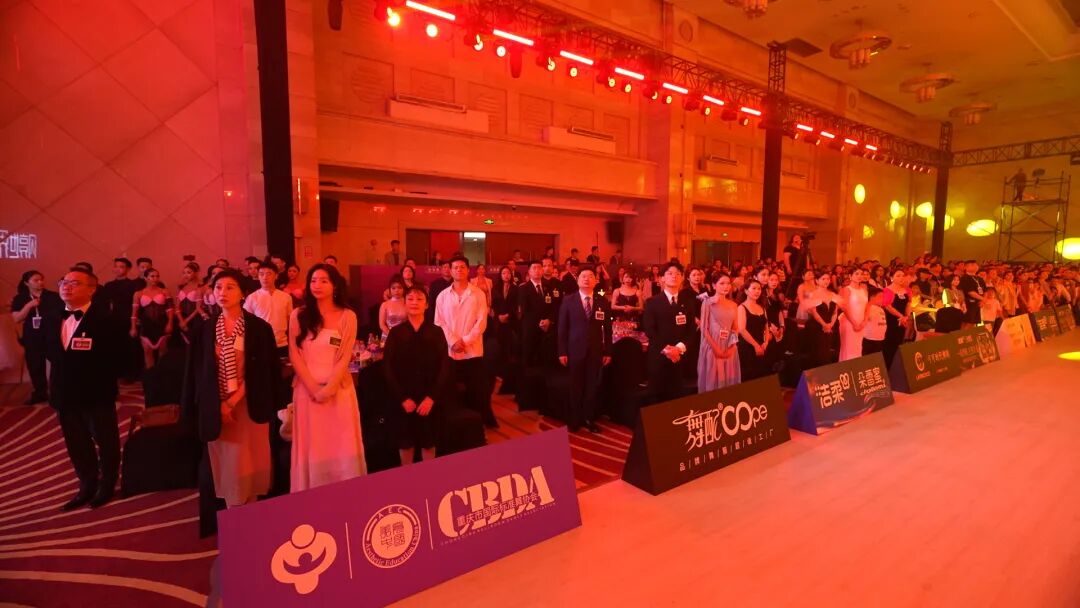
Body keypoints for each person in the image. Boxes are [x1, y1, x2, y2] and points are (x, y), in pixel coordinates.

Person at [182, 269, 279, 508]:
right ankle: (233, 514)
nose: (222, 292)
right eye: (218, 287)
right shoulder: (204, 330)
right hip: (217, 408)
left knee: (251, 463)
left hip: (248, 404)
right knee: (227, 466)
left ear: (243, 293)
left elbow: (263, 372)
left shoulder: (258, 328)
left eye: (230, 287)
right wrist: (219, 404)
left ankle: (253, 512)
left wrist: (232, 402)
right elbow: (197, 374)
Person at [45, 268, 122, 510]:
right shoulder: (51, 318)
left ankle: (107, 484)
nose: (66, 286)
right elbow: (50, 355)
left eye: (74, 283)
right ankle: (87, 484)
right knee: (77, 444)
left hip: (96, 395)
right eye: (63, 282)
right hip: (64, 395)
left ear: (92, 289)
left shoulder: (105, 320)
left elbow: (116, 360)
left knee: (106, 441)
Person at [288, 264, 365, 491]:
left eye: (324, 281)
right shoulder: (298, 315)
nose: (317, 285)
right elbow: (294, 354)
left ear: (335, 286)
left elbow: (345, 355)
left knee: (340, 447)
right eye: (313, 280)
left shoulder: (348, 316)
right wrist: (314, 388)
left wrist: (329, 388)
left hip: (338, 391)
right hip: (307, 392)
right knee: (313, 446)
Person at [383, 286, 451, 465]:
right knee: (405, 443)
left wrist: (432, 398)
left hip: (429, 398)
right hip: (404, 399)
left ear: (427, 304)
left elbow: (444, 367)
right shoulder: (396, 333)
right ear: (405, 303)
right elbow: (388, 368)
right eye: (410, 299)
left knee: (429, 442)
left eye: (419, 299)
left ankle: (429, 479)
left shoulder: (436, 332)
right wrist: (402, 398)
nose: (414, 303)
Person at [434, 256, 494, 427]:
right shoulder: (442, 296)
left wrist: (465, 341)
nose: (458, 270)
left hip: (472, 352)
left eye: (462, 267)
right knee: (449, 391)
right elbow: (439, 322)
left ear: (468, 270)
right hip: (449, 351)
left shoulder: (478, 294)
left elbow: (481, 322)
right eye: (455, 267)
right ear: (450, 270)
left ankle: (476, 428)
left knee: (475, 392)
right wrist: (453, 341)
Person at [558, 267, 612, 433]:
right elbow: (562, 328)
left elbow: (608, 329)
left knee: (591, 386)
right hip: (574, 350)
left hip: (595, 351)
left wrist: (608, 351)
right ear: (577, 280)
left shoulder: (602, 301)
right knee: (575, 386)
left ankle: (589, 418)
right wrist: (562, 351)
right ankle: (575, 419)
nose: (587, 279)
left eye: (590, 276)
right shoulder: (568, 300)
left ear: (596, 281)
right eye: (583, 276)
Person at [642, 262, 694, 403]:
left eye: (678, 274)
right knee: (656, 399)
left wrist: (678, 349)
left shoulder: (687, 302)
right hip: (659, 357)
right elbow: (649, 329)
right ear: (662, 278)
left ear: (682, 278)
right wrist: (668, 350)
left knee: (677, 398)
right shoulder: (652, 302)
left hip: (680, 357)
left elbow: (690, 330)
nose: (674, 276)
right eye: (670, 273)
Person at [11, 270, 62, 404]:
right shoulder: (20, 298)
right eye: (36, 280)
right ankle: (40, 393)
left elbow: (63, 314)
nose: (40, 282)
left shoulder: (53, 296)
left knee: (57, 364)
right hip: (32, 337)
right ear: (26, 283)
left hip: (52, 336)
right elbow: (17, 318)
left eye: (41, 279)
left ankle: (56, 393)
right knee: (35, 366)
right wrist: (29, 305)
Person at [698, 273, 740, 392]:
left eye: (728, 283)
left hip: (729, 346)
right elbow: (704, 328)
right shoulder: (707, 303)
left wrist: (733, 346)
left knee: (728, 380)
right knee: (714, 379)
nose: (726, 286)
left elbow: (735, 328)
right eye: (722, 283)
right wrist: (716, 349)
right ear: (714, 285)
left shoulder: (733, 305)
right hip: (713, 346)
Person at [243, 261, 294, 356]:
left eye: (269, 274)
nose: (265, 277)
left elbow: (290, 320)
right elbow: (246, 322)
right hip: (261, 344)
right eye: (261, 274)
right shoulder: (252, 298)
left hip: (282, 343)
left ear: (276, 276)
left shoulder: (286, 297)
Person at [131, 268, 173, 370]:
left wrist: (170, 323)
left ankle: (162, 375)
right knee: (147, 351)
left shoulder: (165, 291)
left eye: (157, 276)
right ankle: (150, 376)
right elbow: (134, 314)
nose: (155, 278)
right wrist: (133, 327)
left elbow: (170, 309)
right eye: (152, 276)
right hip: (146, 325)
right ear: (146, 278)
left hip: (161, 324)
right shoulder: (138, 293)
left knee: (163, 352)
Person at [519, 261, 554, 367]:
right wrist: (540, 322)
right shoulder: (523, 288)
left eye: (539, 267)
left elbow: (553, 306)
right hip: (531, 328)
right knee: (530, 360)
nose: (537, 270)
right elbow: (524, 311)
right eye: (534, 268)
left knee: (545, 359)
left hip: (547, 328)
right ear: (529, 272)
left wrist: (549, 320)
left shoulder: (549, 286)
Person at [736, 279, 771, 381]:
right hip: (747, 346)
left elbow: (766, 327)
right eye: (754, 288)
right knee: (749, 376)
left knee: (761, 375)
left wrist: (766, 342)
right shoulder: (741, 307)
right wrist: (756, 345)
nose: (757, 291)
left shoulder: (762, 307)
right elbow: (742, 329)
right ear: (746, 291)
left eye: (759, 289)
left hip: (761, 345)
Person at [804, 272, 840, 368]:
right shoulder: (812, 294)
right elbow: (814, 312)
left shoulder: (833, 294)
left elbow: (835, 312)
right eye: (823, 279)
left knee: (826, 351)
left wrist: (831, 324)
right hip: (816, 326)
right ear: (817, 281)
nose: (826, 281)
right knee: (817, 353)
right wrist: (824, 325)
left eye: (828, 279)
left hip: (829, 327)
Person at [882, 269, 911, 368]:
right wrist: (900, 316)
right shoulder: (887, 290)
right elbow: (887, 306)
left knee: (899, 342)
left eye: (903, 275)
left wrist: (906, 317)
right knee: (890, 343)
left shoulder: (907, 290)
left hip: (903, 321)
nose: (901, 278)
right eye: (898, 276)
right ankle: (887, 366)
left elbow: (908, 304)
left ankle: (895, 367)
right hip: (891, 320)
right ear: (891, 278)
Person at [838, 268, 868, 361]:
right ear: (850, 276)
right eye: (856, 274)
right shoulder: (846, 289)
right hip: (849, 322)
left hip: (861, 322)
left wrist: (864, 321)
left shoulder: (864, 290)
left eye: (861, 274)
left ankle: (856, 368)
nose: (859, 276)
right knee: (848, 348)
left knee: (858, 348)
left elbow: (867, 307)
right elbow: (844, 308)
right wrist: (854, 323)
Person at [175, 262, 206, 344]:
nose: (186, 275)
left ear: (195, 273)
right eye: (184, 273)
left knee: (194, 342)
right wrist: (181, 320)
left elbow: (199, 307)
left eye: (189, 272)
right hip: (182, 317)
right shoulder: (181, 287)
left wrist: (186, 321)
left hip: (195, 318)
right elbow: (177, 306)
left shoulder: (200, 286)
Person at [378, 275, 408, 340]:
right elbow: (382, 324)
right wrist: (392, 335)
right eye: (393, 288)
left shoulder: (408, 303)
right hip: (388, 336)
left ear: (404, 289)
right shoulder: (385, 304)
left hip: (405, 335)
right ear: (389, 289)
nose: (397, 290)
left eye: (400, 287)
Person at [958, 260, 987, 328]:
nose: (976, 266)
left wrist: (983, 300)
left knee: (974, 323)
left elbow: (985, 291)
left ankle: (969, 334)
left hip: (978, 303)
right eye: (973, 265)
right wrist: (983, 299)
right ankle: (963, 334)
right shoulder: (964, 278)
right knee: (967, 322)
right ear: (966, 267)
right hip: (968, 303)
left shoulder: (980, 278)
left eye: (976, 265)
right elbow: (970, 292)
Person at [861, 287, 887, 355]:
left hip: (880, 339)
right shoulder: (868, 307)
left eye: (883, 297)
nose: (882, 299)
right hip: (869, 340)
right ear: (872, 297)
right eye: (880, 297)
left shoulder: (881, 309)